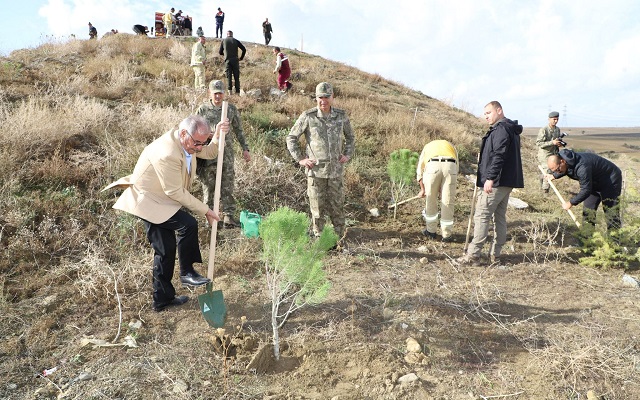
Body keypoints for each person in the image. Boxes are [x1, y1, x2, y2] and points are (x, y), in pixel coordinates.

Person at [104, 115, 229, 312]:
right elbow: (175, 192)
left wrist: (218, 135)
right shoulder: (167, 153)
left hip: (164, 200)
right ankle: (187, 272)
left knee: (165, 250)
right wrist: (206, 210)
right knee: (187, 225)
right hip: (148, 201)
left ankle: (162, 299)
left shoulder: (189, 142)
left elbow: (211, 152)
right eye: (197, 143)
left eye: (201, 143)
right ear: (183, 134)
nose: (199, 148)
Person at [456, 101, 524, 266]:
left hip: (497, 182)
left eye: (489, 112)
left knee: (482, 215)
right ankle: (495, 255)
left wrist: (490, 178)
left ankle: (473, 255)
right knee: (499, 217)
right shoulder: (509, 129)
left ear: (499, 110)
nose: (486, 116)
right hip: (507, 181)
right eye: (484, 114)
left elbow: (499, 155)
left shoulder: (501, 129)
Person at [286, 82, 355, 240]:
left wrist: (347, 154)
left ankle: (340, 239)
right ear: (316, 98)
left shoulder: (341, 115)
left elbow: (350, 137)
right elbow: (291, 137)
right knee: (317, 209)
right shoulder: (308, 116)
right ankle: (320, 239)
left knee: (337, 207)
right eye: (320, 97)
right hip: (316, 172)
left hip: (335, 171)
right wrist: (301, 159)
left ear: (332, 97)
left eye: (326, 97)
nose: (323, 100)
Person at [196, 80, 251, 227]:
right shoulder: (203, 110)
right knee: (209, 188)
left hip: (226, 155)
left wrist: (245, 149)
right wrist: (211, 134)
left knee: (227, 185)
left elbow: (239, 130)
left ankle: (228, 217)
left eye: (220, 93)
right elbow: (195, 130)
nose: (218, 96)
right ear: (210, 93)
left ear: (224, 93)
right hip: (208, 155)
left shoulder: (230, 109)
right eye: (215, 93)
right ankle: (210, 219)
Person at [546, 149, 622, 233]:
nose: (557, 172)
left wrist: (571, 202)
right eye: (554, 171)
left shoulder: (582, 167)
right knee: (588, 212)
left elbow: (586, 190)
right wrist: (554, 175)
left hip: (610, 180)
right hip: (593, 181)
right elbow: (566, 169)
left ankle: (614, 242)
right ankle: (588, 241)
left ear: (563, 161)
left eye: (557, 170)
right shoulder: (563, 160)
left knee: (611, 212)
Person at [416, 140, 458, 242]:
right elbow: (456, 167)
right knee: (448, 201)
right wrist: (443, 188)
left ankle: (431, 232)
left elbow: (420, 171)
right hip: (450, 166)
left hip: (432, 166)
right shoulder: (451, 146)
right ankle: (447, 235)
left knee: (431, 200)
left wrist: (423, 190)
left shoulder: (427, 146)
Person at [536, 111, 564, 193]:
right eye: (554, 119)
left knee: (549, 172)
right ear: (549, 119)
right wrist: (552, 142)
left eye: (557, 119)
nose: (555, 121)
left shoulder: (557, 129)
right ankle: (545, 192)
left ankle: (542, 186)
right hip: (544, 155)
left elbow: (556, 141)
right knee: (548, 171)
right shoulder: (544, 130)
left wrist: (558, 144)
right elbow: (539, 143)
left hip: (553, 154)